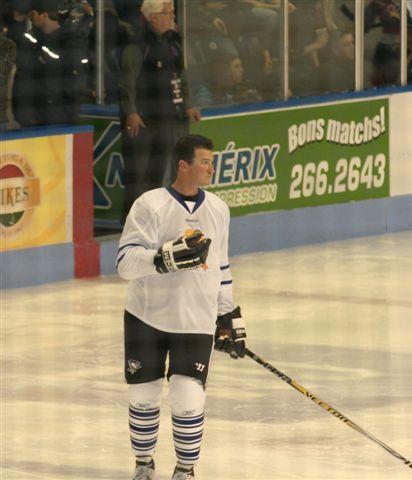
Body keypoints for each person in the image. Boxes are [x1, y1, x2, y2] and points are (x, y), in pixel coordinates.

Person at [116, 134, 247, 480]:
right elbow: (125, 264)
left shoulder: (219, 209)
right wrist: (160, 259)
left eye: (212, 162)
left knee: (188, 398)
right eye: (204, 161)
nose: (211, 168)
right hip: (147, 316)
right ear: (183, 165)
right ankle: (144, 465)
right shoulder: (150, 205)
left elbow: (222, 267)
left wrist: (228, 316)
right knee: (143, 395)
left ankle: (185, 470)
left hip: (195, 320)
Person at [119, 0, 201, 224]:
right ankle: (131, 221)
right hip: (143, 122)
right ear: (153, 17)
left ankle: (152, 220)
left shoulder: (174, 41)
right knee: (137, 176)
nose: (172, 16)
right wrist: (131, 112)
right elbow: (127, 83)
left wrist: (187, 104)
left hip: (167, 119)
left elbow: (180, 75)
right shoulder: (138, 45)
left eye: (172, 12)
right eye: (167, 13)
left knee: (157, 175)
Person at [29, 0, 89, 126]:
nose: (31, 18)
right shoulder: (39, 41)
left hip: (59, 116)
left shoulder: (67, 43)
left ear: (44, 15)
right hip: (43, 113)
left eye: (34, 14)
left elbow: (75, 81)